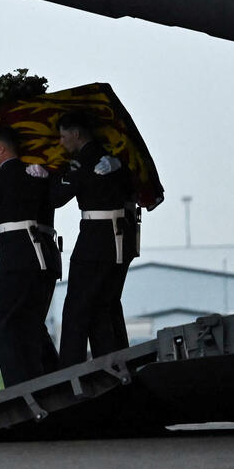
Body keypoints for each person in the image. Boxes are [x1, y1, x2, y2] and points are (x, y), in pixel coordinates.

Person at [0, 125, 60, 387]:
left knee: (3, 323)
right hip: (45, 255)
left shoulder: (5, 175)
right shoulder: (37, 173)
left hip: (19, 257)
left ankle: (18, 388)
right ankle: (50, 379)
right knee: (32, 324)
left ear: (1, 148)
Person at [49, 112, 137, 367]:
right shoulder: (114, 160)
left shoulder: (84, 161)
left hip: (96, 240)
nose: (62, 142)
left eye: (64, 136)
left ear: (76, 134)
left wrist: (52, 174)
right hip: (123, 237)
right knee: (106, 305)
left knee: (76, 307)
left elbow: (57, 198)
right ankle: (116, 361)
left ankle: (68, 370)